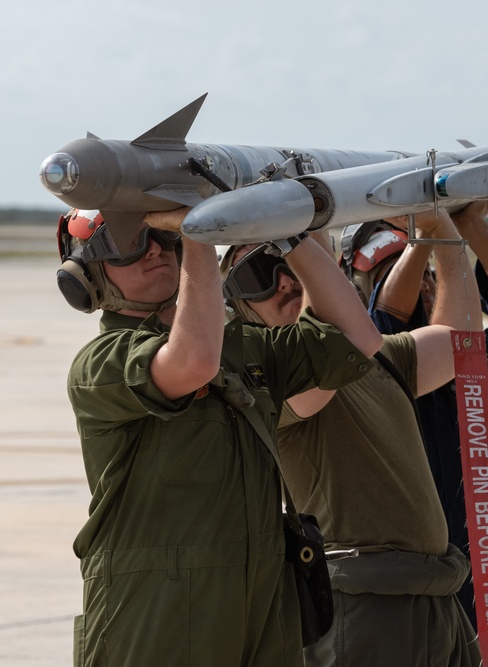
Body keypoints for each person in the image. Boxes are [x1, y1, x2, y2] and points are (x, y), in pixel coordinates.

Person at [58, 208, 382, 667]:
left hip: (262, 602)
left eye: (160, 235)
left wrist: (294, 231)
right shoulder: (101, 363)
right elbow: (192, 363)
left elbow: (357, 337)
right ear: (89, 276)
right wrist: (201, 232)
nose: (153, 248)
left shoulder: (243, 348)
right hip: (154, 612)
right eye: (125, 244)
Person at [221, 211, 483, 666]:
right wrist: (305, 243)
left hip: (433, 593)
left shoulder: (378, 357)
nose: (285, 280)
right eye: (259, 273)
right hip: (362, 599)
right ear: (236, 303)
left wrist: (443, 233)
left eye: (291, 260)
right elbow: (330, 350)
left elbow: (463, 343)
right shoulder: (262, 383)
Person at [344, 202, 488, 667]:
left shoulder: (481, 365)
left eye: (427, 272)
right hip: (402, 583)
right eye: (400, 269)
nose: (420, 281)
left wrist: (467, 227)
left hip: (487, 573)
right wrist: (429, 237)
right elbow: (385, 330)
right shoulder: (362, 371)